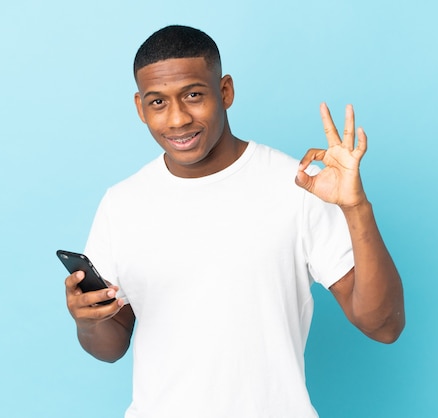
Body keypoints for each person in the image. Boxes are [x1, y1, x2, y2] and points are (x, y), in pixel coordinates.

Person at [64, 25, 405, 418]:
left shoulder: (297, 186)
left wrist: (357, 207)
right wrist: (88, 321)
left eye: (193, 95)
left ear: (224, 91)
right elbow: (111, 346)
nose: (176, 119)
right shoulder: (121, 203)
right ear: (141, 108)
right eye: (158, 102)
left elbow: (384, 326)